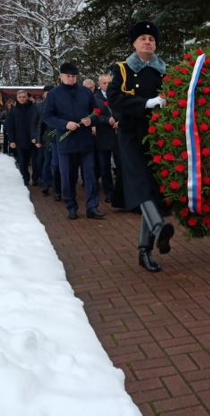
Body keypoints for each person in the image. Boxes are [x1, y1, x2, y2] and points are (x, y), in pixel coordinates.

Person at [107, 21, 176, 273]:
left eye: (151, 39)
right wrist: (147, 103)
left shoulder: (164, 72)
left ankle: (145, 250)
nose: (148, 42)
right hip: (131, 135)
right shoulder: (123, 70)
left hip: (159, 136)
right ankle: (158, 228)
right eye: (143, 38)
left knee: (153, 188)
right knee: (141, 183)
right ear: (134, 43)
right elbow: (115, 99)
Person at [43, 63, 105, 220]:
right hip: (66, 142)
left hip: (85, 142)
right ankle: (71, 206)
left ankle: (92, 207)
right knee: (67, 177)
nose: (71, 79)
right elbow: (47, 116)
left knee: (90, 176)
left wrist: (90, 120)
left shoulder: (85, 92)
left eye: (73, 76)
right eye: (68, 76)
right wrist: (64, 124)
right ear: (61, 76)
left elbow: (97, 111)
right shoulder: (54, 94)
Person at [94, 74, 119, 204]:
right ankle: (108, 192)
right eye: (105, 83)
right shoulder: (95, 98)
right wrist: (106, 120)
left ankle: (121, 191)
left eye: (110, 82)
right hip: (103, 135)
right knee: (104, 166)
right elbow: (93, 116)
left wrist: (119, 121)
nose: (108, 85)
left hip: (118, 134)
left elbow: (124, 109)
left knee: (120, 164)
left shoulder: (117, 94)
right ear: (99, 84)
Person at [6, 89, 39, 187]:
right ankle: (25, 178)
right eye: (20, 97)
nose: (22, 99)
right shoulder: (13, 111)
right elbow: (10, 126)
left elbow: (39, 124)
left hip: (33, 140)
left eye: (24, 97)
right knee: (22, 162)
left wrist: (38, 138)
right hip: (20, 140)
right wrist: (11, 140)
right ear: (17, 98)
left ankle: (36, 179)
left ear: (27, 97)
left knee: (35, 162)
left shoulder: (34, 108)